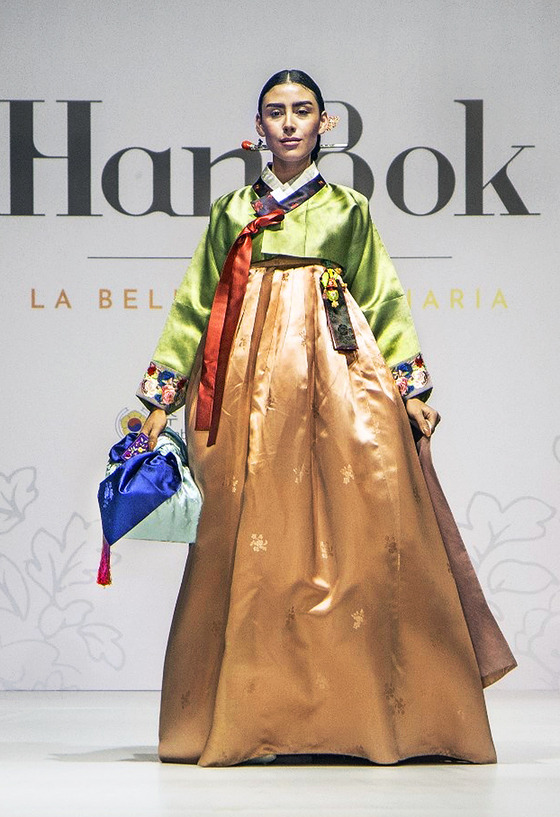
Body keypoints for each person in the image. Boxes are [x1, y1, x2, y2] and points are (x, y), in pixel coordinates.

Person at [136, 69, 516, 767]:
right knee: (252, 542)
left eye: (302, 111)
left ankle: (366, 709)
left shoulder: (348, 208)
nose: (288, 123)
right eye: (275, 112)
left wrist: (412, 387)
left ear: (324, 124)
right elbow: (196, 304)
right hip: (250, 382)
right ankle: (252, 712)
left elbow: (383, 298)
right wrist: (160, 398)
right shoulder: (230, 212)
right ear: (258, 126)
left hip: (340, 375)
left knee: (359, 534)